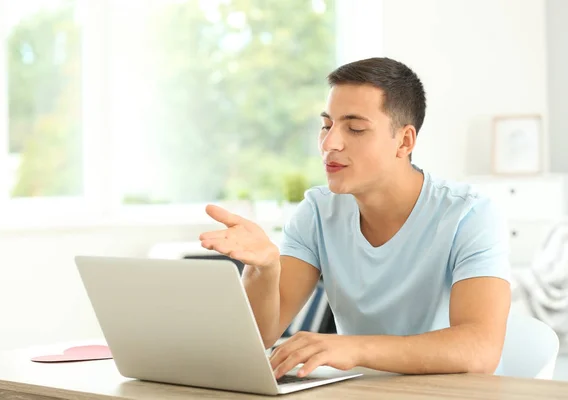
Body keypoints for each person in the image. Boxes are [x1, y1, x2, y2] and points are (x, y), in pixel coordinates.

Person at [199, 57, 511, 379]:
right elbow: (260, 336)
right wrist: (262, 269)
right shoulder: (318, 211)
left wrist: (353, 348)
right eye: (326, 125)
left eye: (356, 128)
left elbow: (480, 349)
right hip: (358, 391)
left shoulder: (469, 215)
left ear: (404, 141)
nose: (329, 143)